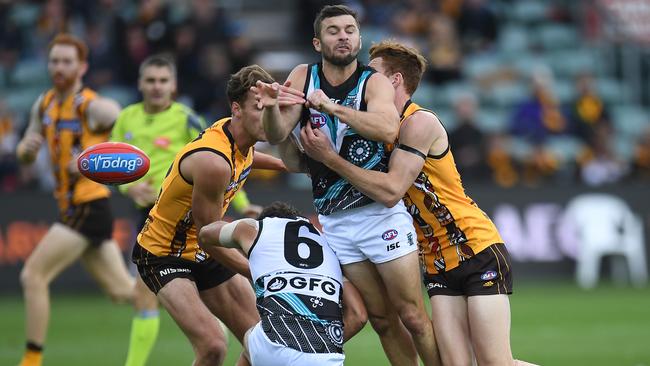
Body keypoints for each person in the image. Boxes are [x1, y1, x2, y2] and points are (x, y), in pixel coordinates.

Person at [300, 40, 524, 366]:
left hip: (474, 247)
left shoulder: (419, 123)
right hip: (436, 261)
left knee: (494, 363)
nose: (362, 80)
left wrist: (331, 156)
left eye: (371, 73)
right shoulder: (374, 128)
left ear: (394, 81)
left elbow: (391, 190)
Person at [252, 5, 439, 365]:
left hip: (379, 216)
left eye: (350, 30)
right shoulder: (303, 75)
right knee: (382, 320)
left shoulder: (373, 81)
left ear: (358, 38)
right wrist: (273, 108)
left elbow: (387, 129)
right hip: (336, 220)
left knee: (413, 316)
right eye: (334, 30)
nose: (343, 36)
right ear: (317, 42)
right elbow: (275, 133)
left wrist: (332, 107)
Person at [131, 64, 295, 366]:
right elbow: (209, 237)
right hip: (164, 253)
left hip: (203, 249)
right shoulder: (213, 161)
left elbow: (246, 157)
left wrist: (286, 165)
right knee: (213, 347)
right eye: (259, 107)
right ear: (237, 109)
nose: (268, 114)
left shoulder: (236, 137)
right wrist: (258, 273)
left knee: (265, 342)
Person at [110, 54, 261, 366]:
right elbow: (215, 172)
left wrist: (291, 169)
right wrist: (127, 187)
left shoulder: (191, 119)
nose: (156, 87)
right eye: (150, 80)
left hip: (198, 230)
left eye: (162, 80)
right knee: (212, 345)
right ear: (139, 84)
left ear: (174, 85)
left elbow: (234, 168)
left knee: (264, 340)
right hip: (164, 244)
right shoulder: (126, 118)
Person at [15, 33, 135, 366]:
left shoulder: (88, 105)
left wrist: (92, 157)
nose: (59, 67)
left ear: (82, 67)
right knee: (123, 292)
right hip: (74, 206)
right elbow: (28, 147)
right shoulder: (45, 103)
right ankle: (195, 296)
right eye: (54, 60)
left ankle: (31, 359)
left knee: (32, 276)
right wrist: (25, 153)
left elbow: (117, 115)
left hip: (89, 205)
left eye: (67, 61)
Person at [199, 201, 346, 366]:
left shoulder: (254, 228)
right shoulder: (331, 246)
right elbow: (359, 316)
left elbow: (204, 234)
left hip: (272, 347)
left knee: (254, 340)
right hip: (327, 358)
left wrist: (247, 267)